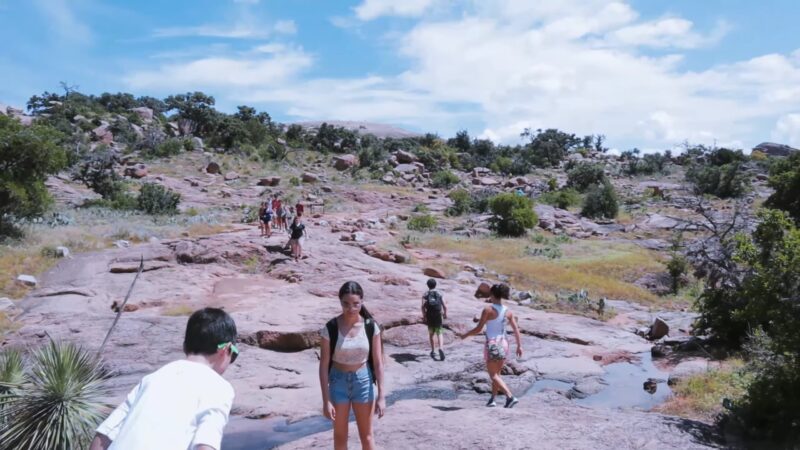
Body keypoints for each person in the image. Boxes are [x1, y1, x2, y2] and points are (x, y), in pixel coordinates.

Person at [89, 308, 239, 450]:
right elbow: (206, 444)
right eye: (234, 353)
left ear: (185, 346)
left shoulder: (153, 378)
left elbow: (104, 435)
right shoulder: (218, 387)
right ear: (226, 349)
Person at [319, 281, 385, 450]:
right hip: (338, 382)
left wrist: (382, 396)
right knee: (340, 436)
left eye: (356, 304)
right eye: (346, 304)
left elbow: (378, 363)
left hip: (363, 382)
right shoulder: (331, 327)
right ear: (340, 302)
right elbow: (324, 365)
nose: (351, 308)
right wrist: (326, 400)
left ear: (362, 302)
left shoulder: (371, 326)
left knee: (367, 436)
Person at [458, 283, 523, 408]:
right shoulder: (508, 311)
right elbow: (516, 329)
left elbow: (478, 329)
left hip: (492, 344)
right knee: (497, 374)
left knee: (493, 375)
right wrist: (520, 346)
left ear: (492, 294)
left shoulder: (488, 309)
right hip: (504, 344)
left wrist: (464, 335)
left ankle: (510, 396)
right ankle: (492, 399)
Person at [421, 278, 447, 361]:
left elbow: (422, 307)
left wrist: (424, 316)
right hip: (438, 314)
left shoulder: (425, 294)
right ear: (435, 285)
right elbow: (444, 305)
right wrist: (445, 313)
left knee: (431, 333)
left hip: (429, 314)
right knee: (439, 332)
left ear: (428, 285)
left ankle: (433, 351)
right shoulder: (439, 293)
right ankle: (441, 348)